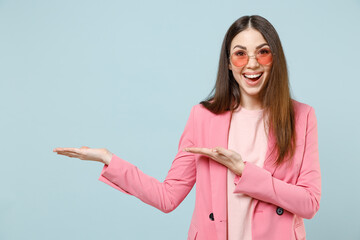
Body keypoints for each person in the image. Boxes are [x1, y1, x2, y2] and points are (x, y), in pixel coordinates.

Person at [53, 15, 321, 240]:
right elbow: (168, 197)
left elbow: (309, 203)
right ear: (228, 63)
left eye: (262, 52)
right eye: (240, 55)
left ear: (275, 58)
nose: (252, 64)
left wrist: (244, 171)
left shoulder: (301, 116)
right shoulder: (203, 116)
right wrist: (108, 159)